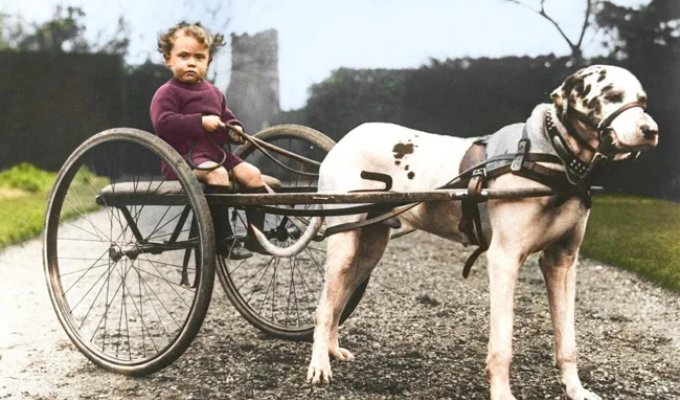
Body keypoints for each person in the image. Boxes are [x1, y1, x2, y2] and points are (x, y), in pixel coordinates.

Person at [150, 21, 267, 259]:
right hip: (183, 160)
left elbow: (229, 120)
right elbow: (163, 123)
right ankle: (222, 239)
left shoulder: (214, 93)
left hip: (218, 156)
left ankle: (256, 237)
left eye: (199, 57)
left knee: (253, 174)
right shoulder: (167, 93)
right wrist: (199, 122)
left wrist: (234, 130)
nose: (191, 62)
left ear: (208, 62)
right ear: (168, 59)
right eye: (183, 56)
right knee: (218, 174)